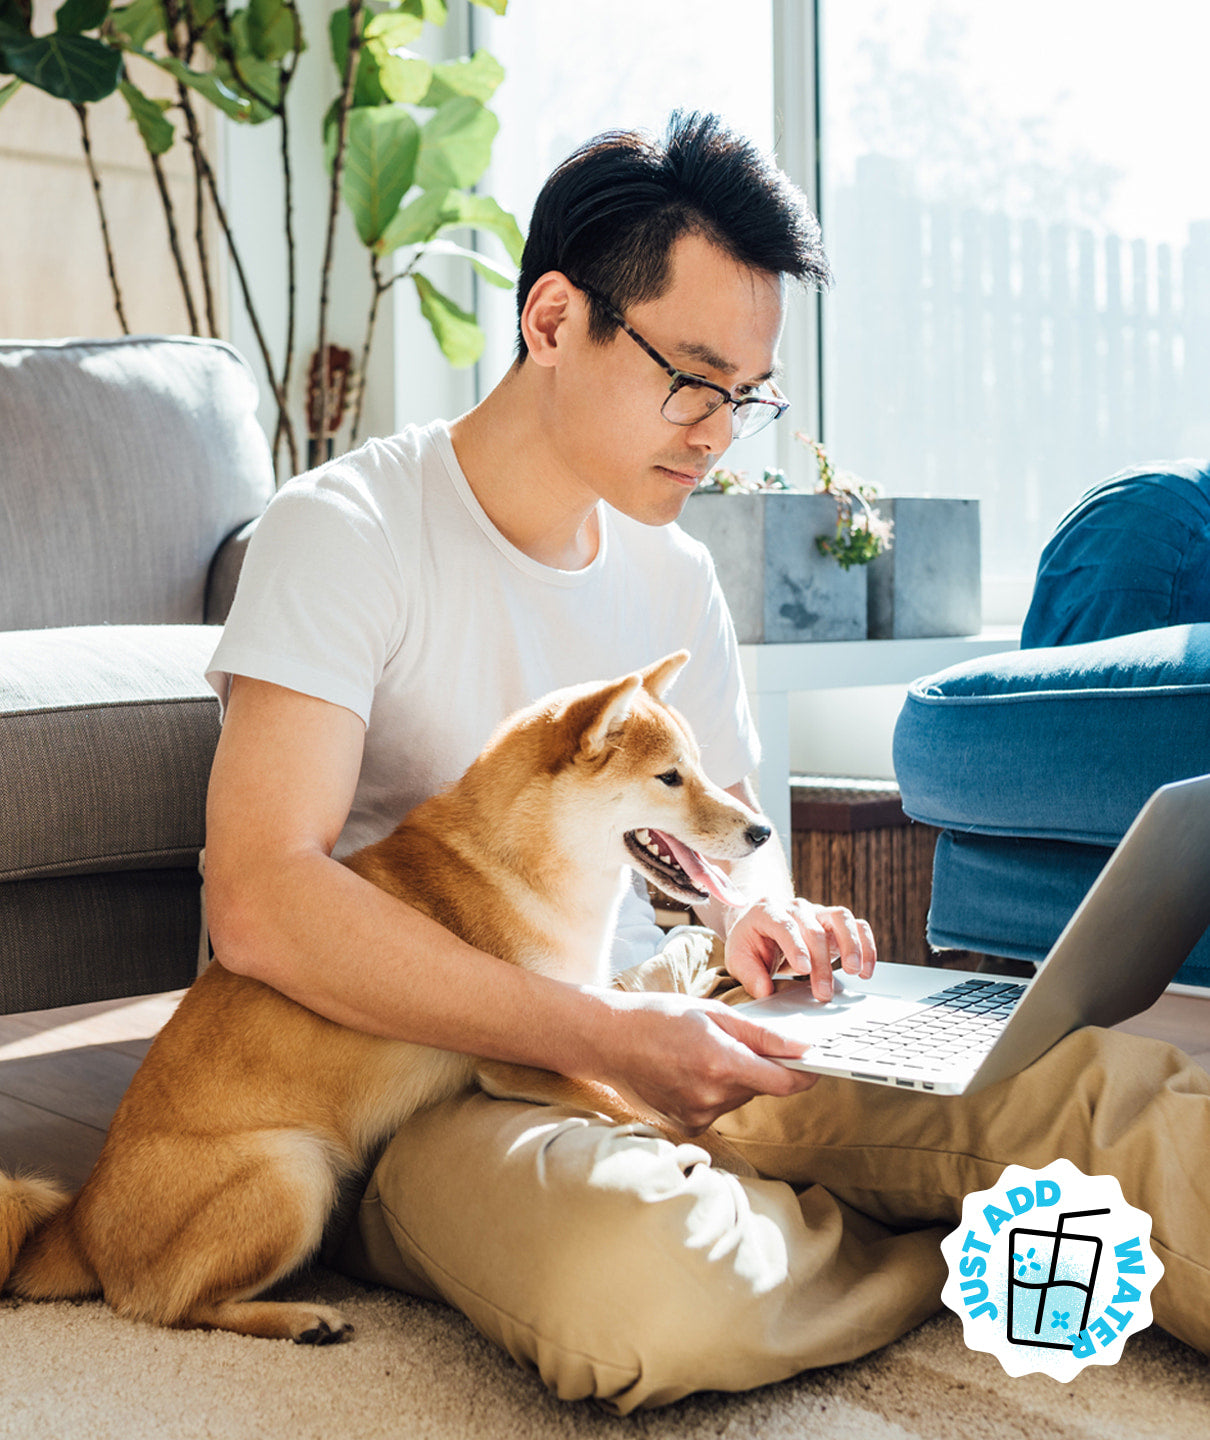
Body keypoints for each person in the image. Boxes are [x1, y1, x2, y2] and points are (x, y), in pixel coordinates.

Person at [204, 112, 1210, 1412]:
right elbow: (262, 901)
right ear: (554, 319)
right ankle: (939, 1246)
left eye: (747, 396)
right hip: (426, 1068)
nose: (718, 432)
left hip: (682, 1017)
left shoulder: (672, 571)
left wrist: (762, 923)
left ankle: (861, 1187)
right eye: (692, 378)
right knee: (644, 1299)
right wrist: (607, 1032)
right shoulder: (342, 530)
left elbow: (728, 860)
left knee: (1106, 1098)